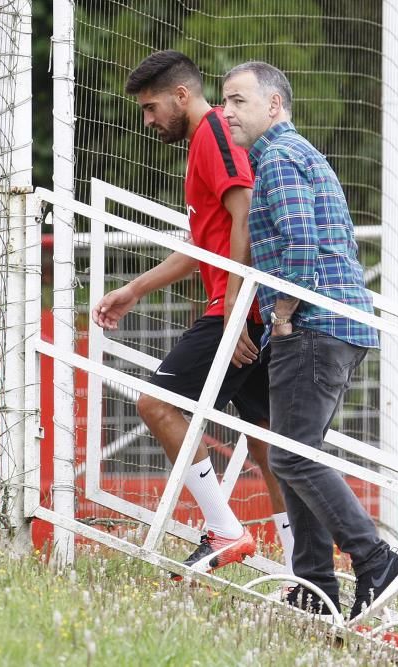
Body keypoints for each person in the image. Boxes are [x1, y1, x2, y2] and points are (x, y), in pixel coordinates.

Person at [220, 60, 398, 623]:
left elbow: (301, 245)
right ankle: (314, 586)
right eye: (224, 101)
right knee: (294, 454)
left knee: (291, 454)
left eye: (238, 101)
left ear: (274, 106)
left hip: (312, 327)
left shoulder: (279, 158)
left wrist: (282, 315)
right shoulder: (291, 154)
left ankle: (376, 561)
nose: (226, 112)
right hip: (334, 326)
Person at [91, 50, 295, 578]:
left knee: (155, 404)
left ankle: (225, 530)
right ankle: (303, 571)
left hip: (237, 311)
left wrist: (233, 304)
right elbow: (203, 244)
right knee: (266, 437)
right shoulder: (206, 143)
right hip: (244, 307)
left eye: (151, 107)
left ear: (182, 95)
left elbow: (247, 206)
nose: (148, 120)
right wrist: (135, 288)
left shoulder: (214, 135)